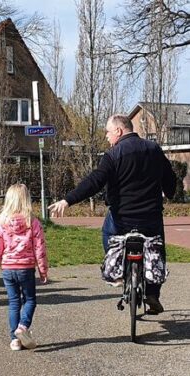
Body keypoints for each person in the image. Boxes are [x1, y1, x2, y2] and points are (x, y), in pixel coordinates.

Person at [48, 114, 176, 314]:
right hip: (150, 216)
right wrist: (170, 192)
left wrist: (68, 200)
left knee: (107, 234)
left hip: (122, 218)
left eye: (107, 131)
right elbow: (170, 178)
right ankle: (153, 293)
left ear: (118, 130)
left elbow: (95, 181)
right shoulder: (154, 150)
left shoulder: (113, 155)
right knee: (157, 249)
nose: (106, 136)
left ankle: (116, 272)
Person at [0, 183, 48, 351]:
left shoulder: (1, 221)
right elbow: (40, 248)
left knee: (14, 302)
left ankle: (15, 339)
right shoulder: (32, 222)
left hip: (7, 268)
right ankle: (23, 326)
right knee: (30, 300)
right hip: (26, 268)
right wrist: (43, 270)